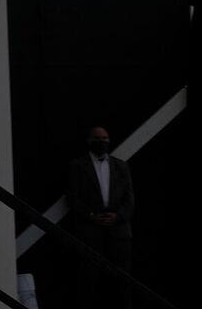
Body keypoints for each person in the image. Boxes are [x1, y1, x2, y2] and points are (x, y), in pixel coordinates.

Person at [67, 125, 134, 306]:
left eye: (105, 139)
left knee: (121, 283)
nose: (102, 142)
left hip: (118, 234)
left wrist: (117, 217)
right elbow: (73, 198)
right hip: (90, 233)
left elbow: (129, 199)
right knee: (90, 282)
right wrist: (91, 216)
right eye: (98, 138)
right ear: (89, 141)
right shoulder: (77, 166)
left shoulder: (121, 166)